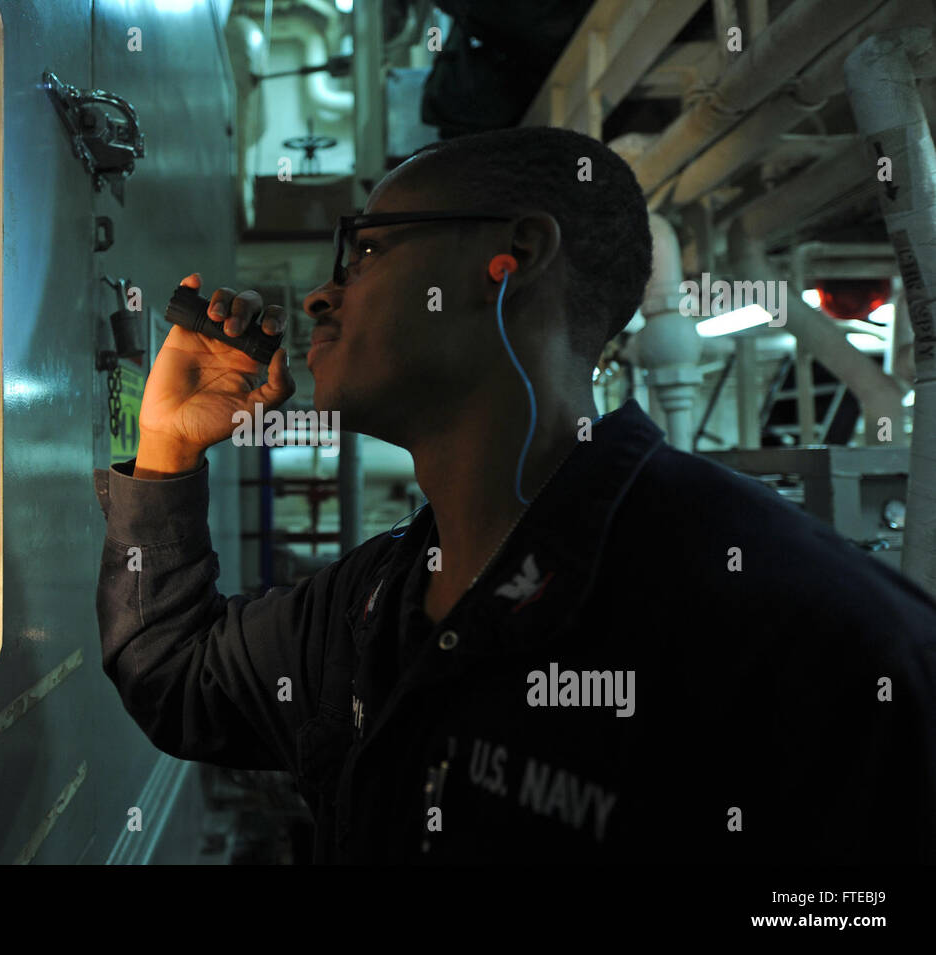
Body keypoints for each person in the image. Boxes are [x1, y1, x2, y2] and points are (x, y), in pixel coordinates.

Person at [93, 126, 936, 863]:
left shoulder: (811, 633)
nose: (321, 293)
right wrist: (165, 447)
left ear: (518, 254)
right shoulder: (377, 601)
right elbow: (175, 674)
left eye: (367, 250)